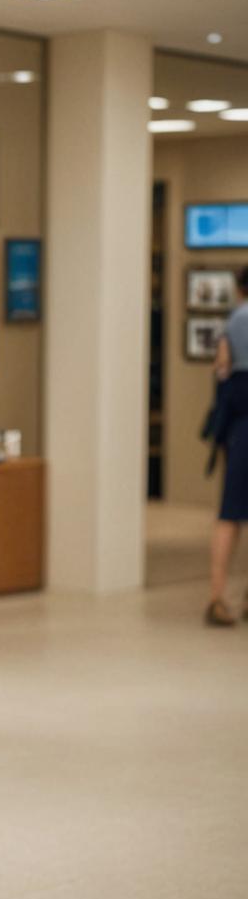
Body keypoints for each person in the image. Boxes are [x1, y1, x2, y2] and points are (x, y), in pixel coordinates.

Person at [205, 265, 248, 627]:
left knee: (229, 514)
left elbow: (222, 367)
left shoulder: (235, 321)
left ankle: (217, 597)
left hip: (241, 428)